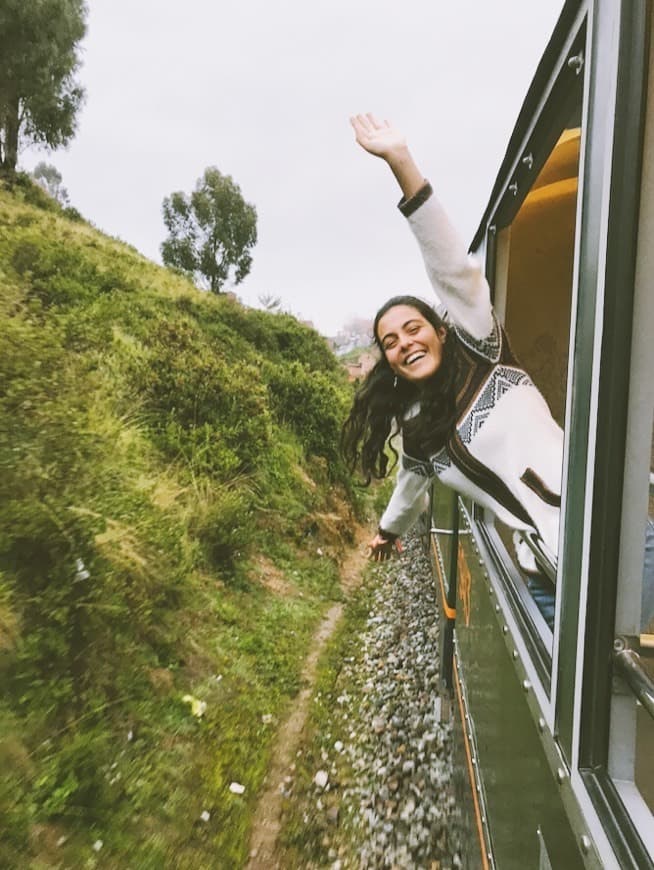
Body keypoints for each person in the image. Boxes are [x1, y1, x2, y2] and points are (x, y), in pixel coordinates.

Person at [341, 113, 564, 579]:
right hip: (543, 570)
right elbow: (408, 485)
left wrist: (402, 164)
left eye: (412, 328)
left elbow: (451, 268)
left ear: (440, 330)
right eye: (391, 342)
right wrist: (388, 530)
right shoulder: (421, 430)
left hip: (598, 546)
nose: (405, 343)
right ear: (392, 365)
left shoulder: (481, 349)